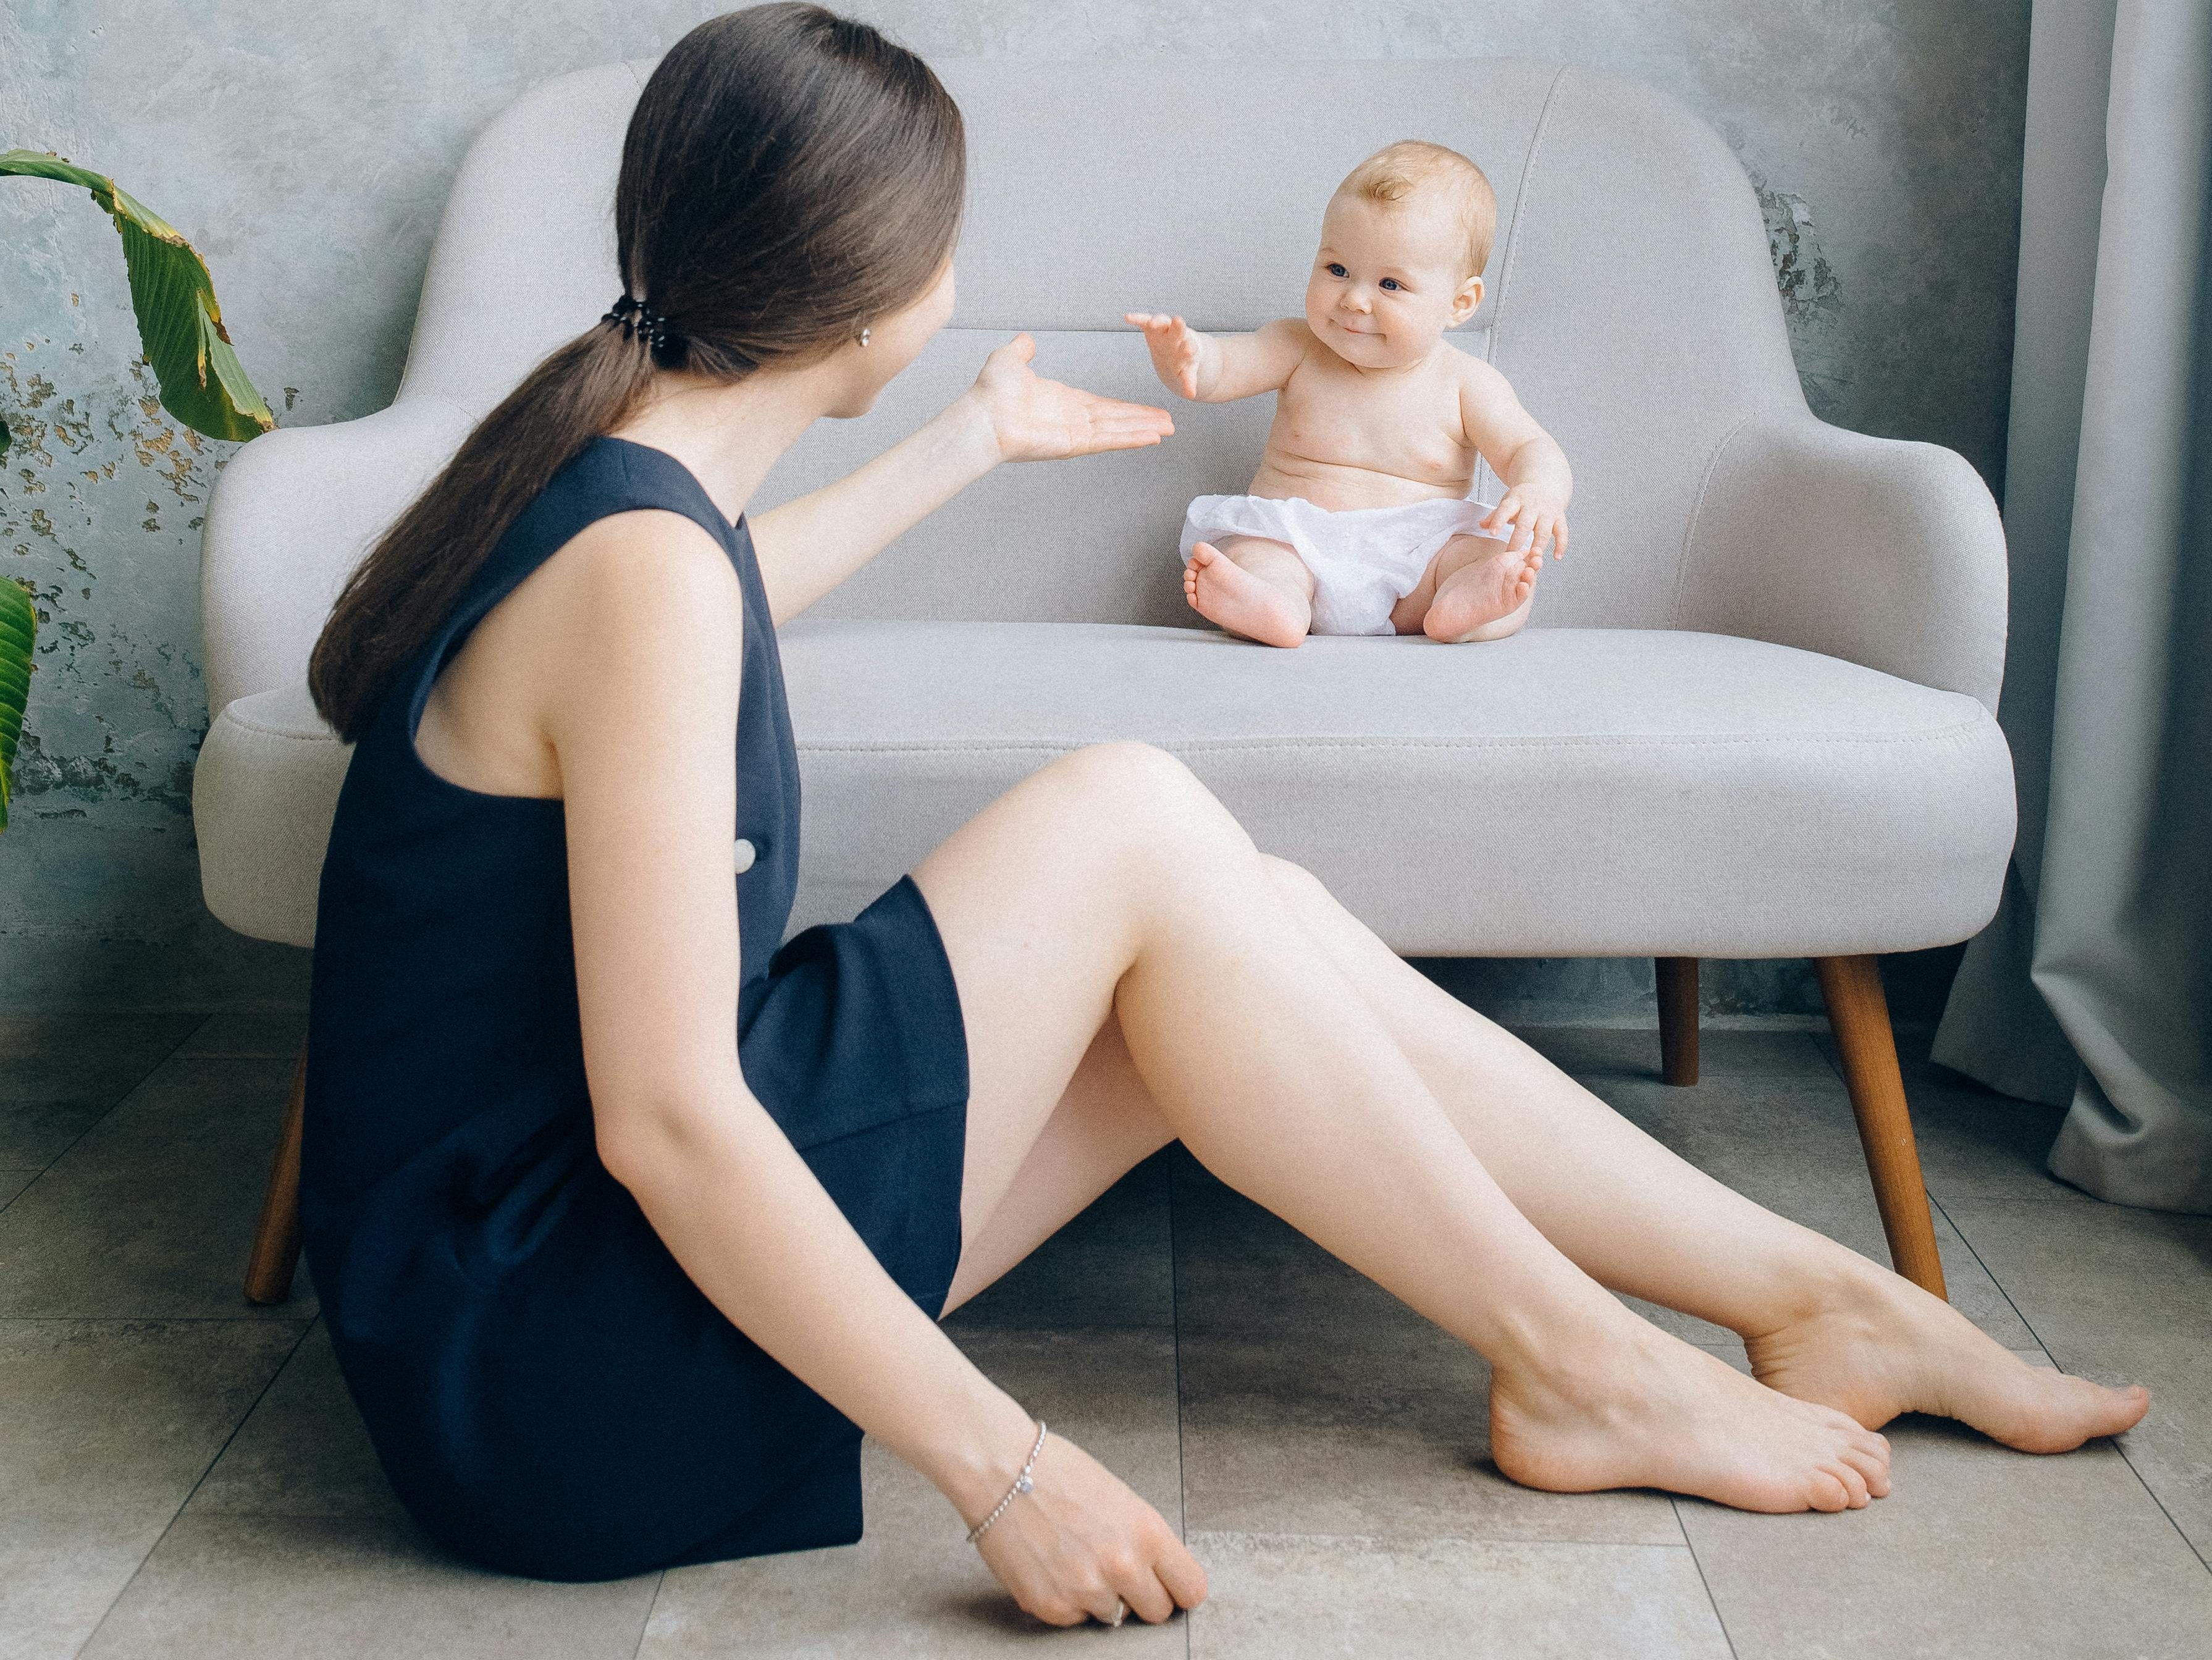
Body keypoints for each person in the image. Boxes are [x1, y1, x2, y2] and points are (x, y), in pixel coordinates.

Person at [299, 1, 2149, 1629]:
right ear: (874, 294)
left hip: (535, 1303)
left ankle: (1800, 1294)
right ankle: (1588, 1364)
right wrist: (1002, 1461)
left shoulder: (628, 508)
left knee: (1222, 911)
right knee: (1130, 819)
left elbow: (709, 597)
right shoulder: (643, 568)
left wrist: (968, 445)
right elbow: (669, 1124)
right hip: (540, 1364)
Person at [1127, 139, 1563, 647]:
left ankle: (1463, 602)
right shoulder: (1297, 346)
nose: (1354, 299)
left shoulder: (1467, 382)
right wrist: (1185, 354)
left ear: (1460, 302)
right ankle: (1274, 605)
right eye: (1337, 270)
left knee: (1492, 559)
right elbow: (1219, 372)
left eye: (1391, 285)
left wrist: (1539, 489)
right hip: (1297, 543)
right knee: (1260, 554)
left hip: (1418, 561)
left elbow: (1527, 447)